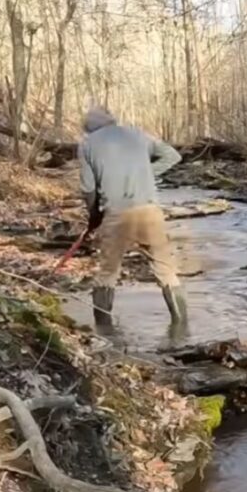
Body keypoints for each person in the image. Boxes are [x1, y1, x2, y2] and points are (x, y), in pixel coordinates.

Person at [78, 106, 187, 328]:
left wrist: (94, 215)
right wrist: (145, 173)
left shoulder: (87, 145)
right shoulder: (137, 134)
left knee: (107, 273)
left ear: (89, 128)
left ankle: (104, 333)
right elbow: (172, 156)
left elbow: (88, 188)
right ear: (111, 120)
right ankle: (182, 330)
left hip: (116, 213)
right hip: (150, 211)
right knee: (167, 271)